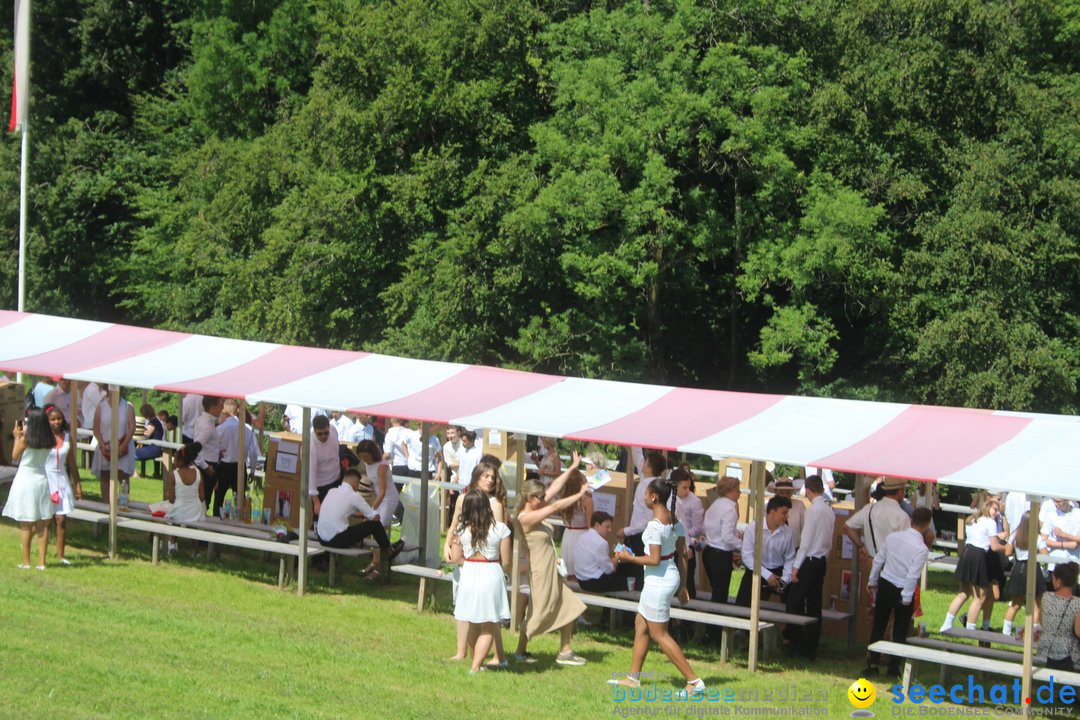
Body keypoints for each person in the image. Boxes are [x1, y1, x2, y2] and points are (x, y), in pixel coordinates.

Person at [609, 475, 705, 698]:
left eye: (645, 493)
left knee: (660, 635)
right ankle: (633, 678)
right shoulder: (675, 521)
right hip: (668, 577)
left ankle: (694, 681)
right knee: (641, 623)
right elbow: (683, 555)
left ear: (653, 497)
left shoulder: (654, 526)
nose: (643, 496)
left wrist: (627, 557)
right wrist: (682, 584)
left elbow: (653, 559)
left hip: (657, 581)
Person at [514, 452, 590, 665]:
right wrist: (581, 493)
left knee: (569, 605)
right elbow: (556, 506)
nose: (543, 498)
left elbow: (555, 487)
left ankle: (565, 651)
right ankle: (519, 652)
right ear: (530, 498)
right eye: (539, 496)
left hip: (552, 569)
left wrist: (573, 467)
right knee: (537, 614)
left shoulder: (535, 505)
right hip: (540, 571)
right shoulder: (526, 517)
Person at [444, 462, 508, 662]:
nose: (490, 480)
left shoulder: (495, 504)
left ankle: (498, 654)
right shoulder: (463, 498)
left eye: (493, 477)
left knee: (488, 614)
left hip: (485, 563)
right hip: (467, 559)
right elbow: (455, 523)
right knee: (464, 608)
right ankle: (461, 651)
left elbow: (494, 534)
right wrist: (448, 544)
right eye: (486, 476)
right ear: (477, 477)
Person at [863, 508, 933, 676]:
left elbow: (879, 559)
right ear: (927, 525)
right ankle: (894, 666)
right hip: (903, 588)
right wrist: (907, 598)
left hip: (886, 582)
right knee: (900, 630)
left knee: (879, 624)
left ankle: (872, 663)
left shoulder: (893, 537)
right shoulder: (921, 548)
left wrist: (872, 581)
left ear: (911, 519)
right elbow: (912, 576)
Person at [940, 497, 1009, 632]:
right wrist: (1006, 548)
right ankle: (970, 631)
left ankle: (946, 625)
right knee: (980, 597)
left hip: (967, 554)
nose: (996, 513)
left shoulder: (972, 519)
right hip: (978, 556)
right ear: (986, 507)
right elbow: (994, 547)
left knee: (963, 593)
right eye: (995, 509)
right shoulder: (990, 522)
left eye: (998, 511)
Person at [785, 475, 833, 659]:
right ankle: (811, 647)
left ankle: (795, 642)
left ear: (808, 490)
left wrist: (796, 566)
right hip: (821, 560)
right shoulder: (829, 510)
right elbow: (827, 541)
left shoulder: (812, 511)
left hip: (809, 559)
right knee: (814, 605)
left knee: (794, 601)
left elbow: (805, 541)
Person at [3, 408, 56, 569]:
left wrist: (16, 437)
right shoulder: (49, 440)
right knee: (42, 524)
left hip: (25, 480)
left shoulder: (26, 440)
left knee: (26, 524)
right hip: (41, 480)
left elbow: (14, 456)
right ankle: (42, 562)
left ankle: (26, 562)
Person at [317, 468, 404, 560]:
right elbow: (374, 517)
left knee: (353, 526)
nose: (357, 487)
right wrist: (370, 516)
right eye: (358, 484)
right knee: (374, 525)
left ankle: (373, 547)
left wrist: (363, 515)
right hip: (335, 540)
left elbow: (343, 511)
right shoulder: (354, 496)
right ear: (355, 483)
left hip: (321, 539)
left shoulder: (332, 491)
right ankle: (389, 550)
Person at [617, 451, 667, 590]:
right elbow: (637, 454)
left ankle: (630, 605)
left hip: (640, 536)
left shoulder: (650, 487)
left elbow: (647, 520)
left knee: (634, 573)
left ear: (649, 468)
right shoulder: (648, 480)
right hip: (636, 535)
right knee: (624, 566)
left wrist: (626, 531)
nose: (642, 463)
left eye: (645, 462)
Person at [736, 496, 795, 606]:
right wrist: (767, 575)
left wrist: (785, 580)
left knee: (793, 603)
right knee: (742, 604)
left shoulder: (788, 532)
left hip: (779, 571)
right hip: (756, 569)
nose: (787, 516)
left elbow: (790, 558)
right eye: (784, 513)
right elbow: (747, 556)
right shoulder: (752, 528)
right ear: (772, 512)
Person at [44, 404, 81, 565]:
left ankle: (60, 556)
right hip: (45, 480)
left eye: (59, 418)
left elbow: (72, 462)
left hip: (62, 480)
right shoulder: (43, 437)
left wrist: (77, 483)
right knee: (45, 520)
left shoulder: (67, 438)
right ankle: (41, 554)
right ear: (47, 421)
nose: (56, 422)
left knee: (61, 519)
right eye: (52, 419)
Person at [844, 477, 912, 559]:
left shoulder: (869, 508)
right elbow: (907, 546)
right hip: (891, 565)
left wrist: (861, 546)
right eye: (904, 490)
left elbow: (847, 526)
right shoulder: (902, 516)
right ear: (900, 491)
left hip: (871, 560)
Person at [1002, 511, 1045, 637]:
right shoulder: (1037, 537)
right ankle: (1035, 634)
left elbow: (1007, 552)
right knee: (1036, 604)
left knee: (1015, 603)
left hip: (1019, 568)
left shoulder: (1015, 534)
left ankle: (1006, 632)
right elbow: (1045, 555)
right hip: (1033, 568)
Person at [91, 389, 137, 502]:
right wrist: (102, 445)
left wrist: (123, 446)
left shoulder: (127, 407)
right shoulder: (101, 407)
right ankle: (107, 503)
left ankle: (122, 502)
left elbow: (132, 428)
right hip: (105, 445)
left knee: (123, 476)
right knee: (105, 475)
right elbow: (96, 429)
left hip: (123, 444)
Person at [701, 475, 741, 604]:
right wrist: (743, 545)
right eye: (737, 490)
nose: (739, 493)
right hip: (721, 555)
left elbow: (705, 527)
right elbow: (727, 536)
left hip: (708, 551)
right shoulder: (730, 509)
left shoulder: (715, 504)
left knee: (717, 590)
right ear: (728, 491)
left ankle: (712, 622)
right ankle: (714, 623)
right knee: (720, 594)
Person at [216, 399, 260, 515]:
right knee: (240, 498)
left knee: (219, 497)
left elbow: (216, 448)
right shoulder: (247, 429)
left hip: (224, 466)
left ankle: (216, 518)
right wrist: (253, 470)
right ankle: (241, 518)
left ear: (224, 411)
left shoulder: (220, 428)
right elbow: (253, 452)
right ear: (238, 411)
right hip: (240, 466)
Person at [1035, 562, 1080, 671]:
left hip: (1045, 651)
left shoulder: (1046, 597)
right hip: (1068, 655)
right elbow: (1078, 631)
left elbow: (1042, 622)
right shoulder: (1077, 603)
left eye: (1053, 578)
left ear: (1059, 581)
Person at [574, 512, 629, 592]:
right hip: (595, 582)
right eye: (607, 527)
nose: (610, 530)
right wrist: (619, 556)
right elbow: (609, 569)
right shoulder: (601, 543)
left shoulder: (582, 536)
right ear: (597, 525)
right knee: (628, 581)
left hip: (581, 580)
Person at [672, 468, 704, 599]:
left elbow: (685, 527)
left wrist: (689, 541)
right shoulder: (671, 503)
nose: (687, 491)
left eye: (689, 487)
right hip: (676, 548)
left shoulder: (690, 501)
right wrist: (686, 543)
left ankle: (687, 617)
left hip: (684, 545)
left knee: (688, 584)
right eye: (684, 488)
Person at [559, 467, 593, 579]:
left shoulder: (563, 498)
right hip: (581, 536)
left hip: (568, 534)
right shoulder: (586, 500)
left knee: (568, 573)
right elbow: (590, 525)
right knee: (580, 574)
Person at [193, 395, 225, 516]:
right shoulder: (207, 425)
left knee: (203, 500)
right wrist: (206, 467)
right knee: (204, 500)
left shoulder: (204, 420)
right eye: (221, 404)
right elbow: (196, 448)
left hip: (208, 462)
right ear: (213, 407)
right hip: (206, 466)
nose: (223, 408)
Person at [308, 415, 341, 514]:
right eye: (320, 434)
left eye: (326, 433)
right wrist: (316, 502)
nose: (323, 436)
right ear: (314, 431)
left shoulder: (334, 430)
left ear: (329, 427)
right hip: (321, 486)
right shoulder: (311, 445)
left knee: (335, 514)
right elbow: (311, 473)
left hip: (336, 480)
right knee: (321, 517)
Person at [772, 478, 804, 548]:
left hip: (794, 548)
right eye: (781, 492)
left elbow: (804, 529)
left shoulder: (799, 505)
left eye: (787, 493)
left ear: (791, 493)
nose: (784, 495)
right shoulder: (768, 507)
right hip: (774, 549)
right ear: (775, 492)